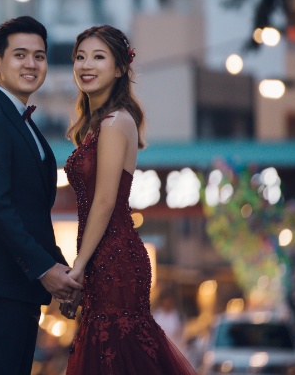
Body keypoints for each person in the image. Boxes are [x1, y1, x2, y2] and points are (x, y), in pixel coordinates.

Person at [62, 25, 196, 374]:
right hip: (102, 257)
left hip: (115, 258)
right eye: (80, 57)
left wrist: (77, 268)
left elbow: (104, 202)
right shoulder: (96, 126)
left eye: (98, 57)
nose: (86, 65)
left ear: (120, 69)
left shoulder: (113, 122)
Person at [0, 15, 83, 375]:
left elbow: (33, 216)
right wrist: (45, 268)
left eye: (39, 56)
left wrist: (62, 271)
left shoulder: (19, 121)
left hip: (16, 286)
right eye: (20, 55)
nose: (31, 64)